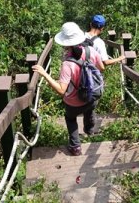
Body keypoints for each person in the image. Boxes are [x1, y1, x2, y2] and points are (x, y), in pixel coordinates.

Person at [32, 22, 104, 156]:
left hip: (74, 103)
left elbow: (61, 90)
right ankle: (89, 131)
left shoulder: (67, 63)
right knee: (89, 109)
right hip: (92, 95)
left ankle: (76, 147)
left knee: (70, 119)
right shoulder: (91, 51)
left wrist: (44, 73)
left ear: (65, 43)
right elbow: (102, 68)